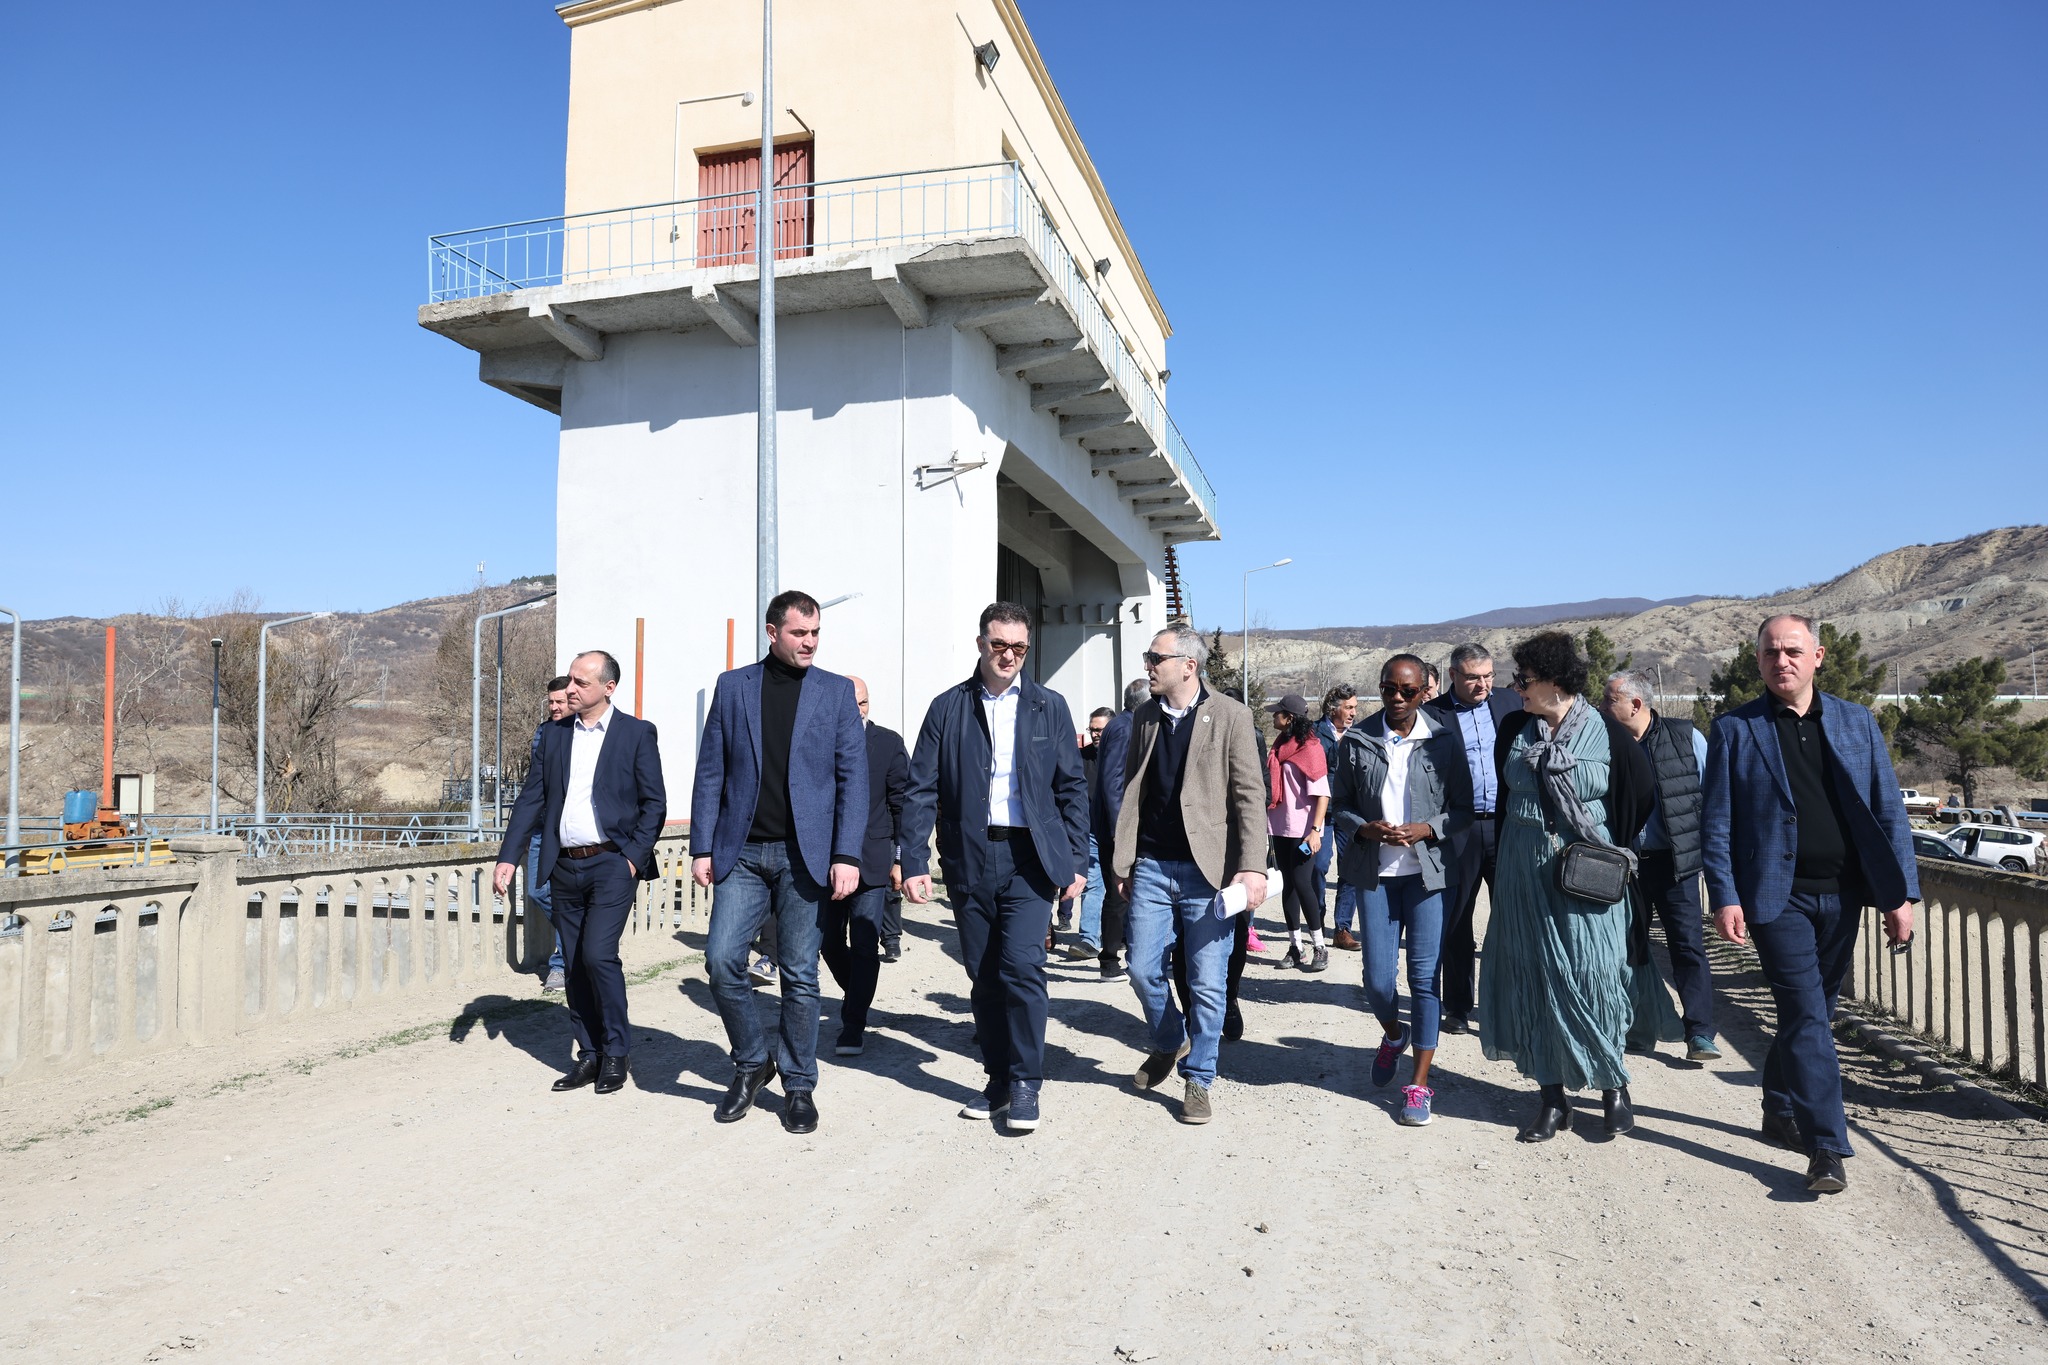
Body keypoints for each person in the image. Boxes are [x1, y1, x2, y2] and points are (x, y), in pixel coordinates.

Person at [1702, 614, 1918, 1194]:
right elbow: (1716, 822)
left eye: (1793, 651)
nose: (1782, 661)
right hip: (1777, 898)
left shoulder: (1856, 721)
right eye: (1771, 652)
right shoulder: (1735, 729)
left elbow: (1889, 811)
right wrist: (1724, 896)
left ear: (1817, 656)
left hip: (1844, 894)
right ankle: (1826, 1146)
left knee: (1812, 1011)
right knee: (1804, 1012)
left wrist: (1901, 895)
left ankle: (1778, 1108)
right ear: (1758, 660)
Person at [899, 603, 1090, 1133]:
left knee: (1023, 967)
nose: (1009, 656)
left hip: (1031, 858)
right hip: (970, 856)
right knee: (983, 976)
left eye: (1019, 647)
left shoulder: (1049, 706)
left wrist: (1077, 859)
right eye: (1000, 645)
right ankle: (999, 1079)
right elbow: (921, 788)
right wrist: (913, 860)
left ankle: (1027, 1081)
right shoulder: (947, 708)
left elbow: (1072, 788)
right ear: (981, 644)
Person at [690, 591, 867, 1134]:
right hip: (741, 851)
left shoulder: (835, 692)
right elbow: (711, 770)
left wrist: (846, 854)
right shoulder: (733, 687)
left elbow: (852, 779)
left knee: (799, 975)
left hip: (805, 857)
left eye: (815, 633)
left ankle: (798, 1084)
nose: (810, 642)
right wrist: (701, 845)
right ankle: (752, 1061)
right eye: (799, 633)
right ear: (773, 632)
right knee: (722, 960)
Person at [1478, 631, 1654, 1143]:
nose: (1517, 687)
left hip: (1585, 871)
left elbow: (1640, 792)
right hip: (1523, 867)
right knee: (1536, 977)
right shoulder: (1515, 726)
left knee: (1596, 971)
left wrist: (1606, 843)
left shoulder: (1605, 729)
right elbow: (1505, 788)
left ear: (1554, 681)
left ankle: (1613, 1085)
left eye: (1525, 679)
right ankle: (1552, 1099)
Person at [492, 651, 667, 1096]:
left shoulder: (636, 733)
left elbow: (654, 803)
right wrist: (508, 857)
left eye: (581, 683)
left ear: (608, 688)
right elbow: (531, 799)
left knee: (598, 956)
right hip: (564, 864)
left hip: (612, 864)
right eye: (570, 680)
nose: (570, 689)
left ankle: (617, 1052)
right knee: (572, 962)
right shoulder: (554, 735)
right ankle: (589, 1055)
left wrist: (632, 857)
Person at [1113, 625, 1268, 1124]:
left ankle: (1199, 1077)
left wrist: (1252, 866)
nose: (1147, 665)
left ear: (1188, 665)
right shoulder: (1144, 716)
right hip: (1152, 865)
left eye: (1155, 657)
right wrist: (1124, 860)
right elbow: (1134, 789)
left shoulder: (1232, 716)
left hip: (1210, 872)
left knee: (1206, 982)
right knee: (1141, 969)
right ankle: (1170, 1039)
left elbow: (1250, 796)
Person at [1330, 655, 1455, 1126]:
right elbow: (1340, 804)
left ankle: (1419, 1085)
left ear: (1424, 691)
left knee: (1424, 981)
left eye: (1408, 691)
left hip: (1427, 877)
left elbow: (1463, 809)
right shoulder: (1359, 738)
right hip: (1375, 876)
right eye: (1389, 689)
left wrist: (1428, 828)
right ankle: (1393, 1034)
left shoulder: (1442, 740)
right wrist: (1364, 828)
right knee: (1378, 983)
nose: (1398, 698)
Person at [1600, 669, 1718, 1063]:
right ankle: (1635, 1027)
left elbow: (1713, 797)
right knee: (1626, 947)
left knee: (1687, 946)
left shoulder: (1685, 737)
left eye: (1609, 700)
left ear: (1635, 704)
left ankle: (1700, 1033)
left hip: (1675, 864)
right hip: (1623, 865)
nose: (1602, 706)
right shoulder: (1602, 743)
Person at [1422, 643, 1521, 1035]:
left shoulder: (1511, 704)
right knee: (1457, 920)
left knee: (1512, 918)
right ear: (1453, 676)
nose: (1483, 684)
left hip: (1507, 825)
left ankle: (1509, 1005)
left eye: (1488, 676)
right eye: (1473, 678)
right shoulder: (1431, 715)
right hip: (1458, 830)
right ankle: (1458, 1006)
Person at [823, 675, 908, 1057]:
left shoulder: (887, 743)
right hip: (826, 864)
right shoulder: (819, 741)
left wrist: (900, 859)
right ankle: (856, 994)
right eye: (851, 703)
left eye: (863, 702)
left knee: (864, 944)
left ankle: (853, 1024)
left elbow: (901, 804)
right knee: (827, 942)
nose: (858, 710)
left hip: (873, 862)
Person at [1088, 678, 1152, 983]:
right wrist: (1119, 830)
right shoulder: (1126, 728)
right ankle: (1110, 960)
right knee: (1118, 892)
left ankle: (1128, 953)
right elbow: (1113, 782)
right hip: (1117, 829)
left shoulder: (1125, 724)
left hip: (1119, 826)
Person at [1264, 693, 1331, 973]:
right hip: (1280, 826)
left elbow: (1323, 794)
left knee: (1303, 884)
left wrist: (1315, 831)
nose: (1273, 716)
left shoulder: (1311, 748)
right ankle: (1295, 947)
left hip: (1304, 830)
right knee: (1289, 886)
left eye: (1277, 712)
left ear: (1289, 718)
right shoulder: (1280, 745)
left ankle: (1320, 946)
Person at [526, 675, 572, 993]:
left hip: (570, 832)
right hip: (541, 829)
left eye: (560, 702)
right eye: (551, 702)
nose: (554, 707)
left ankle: (561, 965)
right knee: (537, 892)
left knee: (567, 897)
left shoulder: (586, 734)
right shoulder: (542, 733)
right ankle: (579, 937)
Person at [1060, 707, 1117, 961]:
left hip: (1120, 832)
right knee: (1093, 884)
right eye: (1092, 729)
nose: (1095, 734)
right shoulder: (1080, 758)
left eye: (1100, 730)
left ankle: (1122, 934)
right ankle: (1088, 939)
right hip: (1090, 832)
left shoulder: (1125, 755)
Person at [1313, 685, 1363, 952]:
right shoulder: (1314, 732)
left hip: (1350, 811)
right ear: (1333, 709)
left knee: (1350, 869)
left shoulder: (1359, 734)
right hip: (1321, 811)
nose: (1353, 712)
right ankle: (1316, 923)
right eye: (1348, 707)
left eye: (1355, 707)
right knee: (1318, 866)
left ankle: (1342, 928)